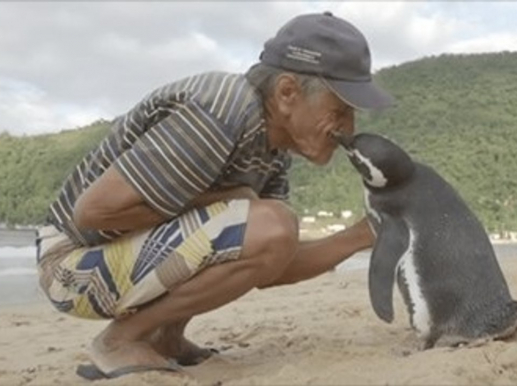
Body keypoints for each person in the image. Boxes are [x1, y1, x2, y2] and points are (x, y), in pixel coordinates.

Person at [36, 11, 393, 379]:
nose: (348, 128)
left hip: (112, 259)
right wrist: (229, 200)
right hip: (69, 265)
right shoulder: (221, 108)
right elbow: (92, 214)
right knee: (266, 219)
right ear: (287, 93)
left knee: (268, 223)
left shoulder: (271, 152)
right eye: (340, 110)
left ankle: (165, 337)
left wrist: (363, 235)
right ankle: (121, 340)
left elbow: (271, 262)